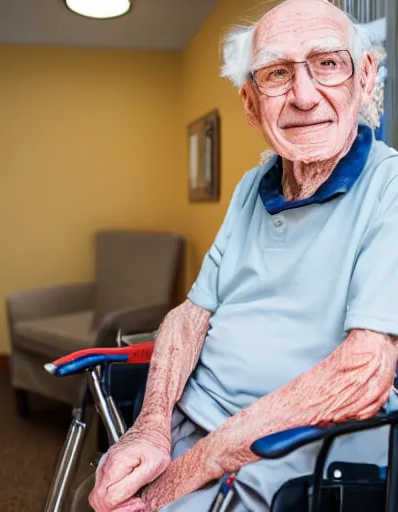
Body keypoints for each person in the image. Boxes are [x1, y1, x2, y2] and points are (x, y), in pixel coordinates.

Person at [89, 0, 398, 510]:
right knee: (110, 485)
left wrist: (185, 472)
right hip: (192, 428)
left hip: (289, 453)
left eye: (327, 63)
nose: (303, 95)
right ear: (252, 105)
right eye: (277, 73)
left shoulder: (389, 185)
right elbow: (192, 314)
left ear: (364, 77)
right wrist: (150, 428)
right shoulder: (252, 187)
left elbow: (362, 373)